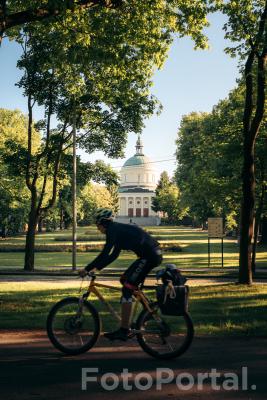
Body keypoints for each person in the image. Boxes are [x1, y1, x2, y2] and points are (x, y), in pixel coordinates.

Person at [79, 208, 162, 341]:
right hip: (150, 255)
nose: (97, 227)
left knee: (127, 288)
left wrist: (87, 268)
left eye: (97, 224)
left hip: (150, 256)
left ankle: (124, 330)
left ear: (103, 222)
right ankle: (149, 308)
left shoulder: (113, 230)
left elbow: (105, 252)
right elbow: (113, 256)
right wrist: (96, 268)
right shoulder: (117, 230)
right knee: (124, 280)